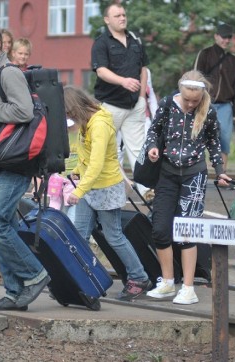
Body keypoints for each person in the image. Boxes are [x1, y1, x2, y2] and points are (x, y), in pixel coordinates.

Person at [0, 20, 50, 311]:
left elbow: (24, 111)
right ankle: (14, 293)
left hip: (14, 165)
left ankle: (35, 275)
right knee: (5, 226)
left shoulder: (9, 73)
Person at [144, 70, 230, 305]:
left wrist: (220, 170)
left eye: (195, 100)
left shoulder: (208, 111)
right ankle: (168, 282)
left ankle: (189, 288)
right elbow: (154, 130)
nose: (191, 104)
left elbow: (214, 141)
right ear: (180, 92)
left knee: (187, 231)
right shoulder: (166, 105)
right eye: (187, 100)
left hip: (194, 175)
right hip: (167, 173)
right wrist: (152, 147)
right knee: (160, 228)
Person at [63, 85, 152, 301]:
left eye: (68, 113)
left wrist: (80, 189)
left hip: (105, 187)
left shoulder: (100, 124)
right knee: (80, 234)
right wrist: (76, 171)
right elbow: (87, 156)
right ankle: (81, 278)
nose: (69, 119)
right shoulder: (86, 123)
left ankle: (139, 278)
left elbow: (98, 162)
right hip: (89, 185)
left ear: (75, 108)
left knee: (114, 236)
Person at [91, 2, 149, 196]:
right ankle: (108, 192)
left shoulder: (136, 40)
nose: (122, 18)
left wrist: (142, 98)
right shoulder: (101, 42)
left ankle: (147, 192)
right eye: (117, 16)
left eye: (124, 15)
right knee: (106, 150)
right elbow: (101, 71)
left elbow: (143, 69)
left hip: (134, 106)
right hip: (110, 106)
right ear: (107, 20)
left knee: (138, 150)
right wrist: (123, 81)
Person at [194, 22, 235, 172]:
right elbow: (196, 78)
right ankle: (198, 173)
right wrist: (195, 102)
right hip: (205, 103)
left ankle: (222, 175)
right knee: (198, 138)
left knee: (224, 141)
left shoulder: (233, 59)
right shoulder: (205, 54)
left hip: (225, 105)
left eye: (229, 37)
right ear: (216, 36)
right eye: (223, 37)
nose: (226, 40)